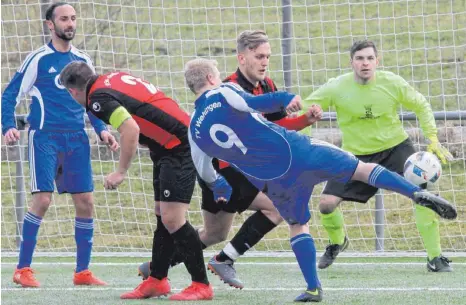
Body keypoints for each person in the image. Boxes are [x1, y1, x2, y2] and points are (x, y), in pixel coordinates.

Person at [183, 58, 457, 302]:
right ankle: (415, 193)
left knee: (298, 225)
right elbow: (250, 103)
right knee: (361, 169)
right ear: (210, 78)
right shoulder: (223, 90)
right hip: (294, 150)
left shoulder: (193, 125)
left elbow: (204, 170)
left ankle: (313, 288)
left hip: (272, 179)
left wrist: (221, 186)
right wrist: (284, 98)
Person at [137, 30, 318, 289]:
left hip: (230, 172)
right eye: (259, 56)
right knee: (277, 207)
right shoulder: (229, 89)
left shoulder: (267, 85)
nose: (265, 62)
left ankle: (158, 266)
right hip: (227, 171)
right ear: (242, 58)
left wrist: (304, 120)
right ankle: (224, 259)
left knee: (215, 233)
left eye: (267, 56)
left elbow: (278, 126)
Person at [59, 61, 213, 301]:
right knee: (162, 214)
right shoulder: (112, 78)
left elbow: (130, 129)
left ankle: (201, 284)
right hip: (165, 145)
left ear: (73, 92)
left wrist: (120, 172)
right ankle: (157, 280)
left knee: (173, 219)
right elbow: (141, 107)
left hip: (179, 145)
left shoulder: (96, 99)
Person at [304, 40, 455, 272]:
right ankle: (337, 242)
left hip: (397, 150)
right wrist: (303, 145)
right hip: (355, 155)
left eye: (370, 58)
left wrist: (432, 137)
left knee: (423, 196)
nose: (365, 63)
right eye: (360, 58)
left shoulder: (392, 83)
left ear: (377, 61)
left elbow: (421, 104)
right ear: (351, 62)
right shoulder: (336, 87)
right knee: (326, 205)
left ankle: (435, 257)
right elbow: (306, 107)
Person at [1, 2, 118, 288]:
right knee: (42, 200)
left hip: (77, 139)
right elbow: (10, 94)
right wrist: (8, 127)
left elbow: (92, 101)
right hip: (45, 138)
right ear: (50, 25)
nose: (70, 23)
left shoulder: (83, 61)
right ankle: (23, 269)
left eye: (73, 18)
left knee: (86, 202)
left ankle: (82, 272)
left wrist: (102, 129)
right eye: (64, 19)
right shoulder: (38, 59)